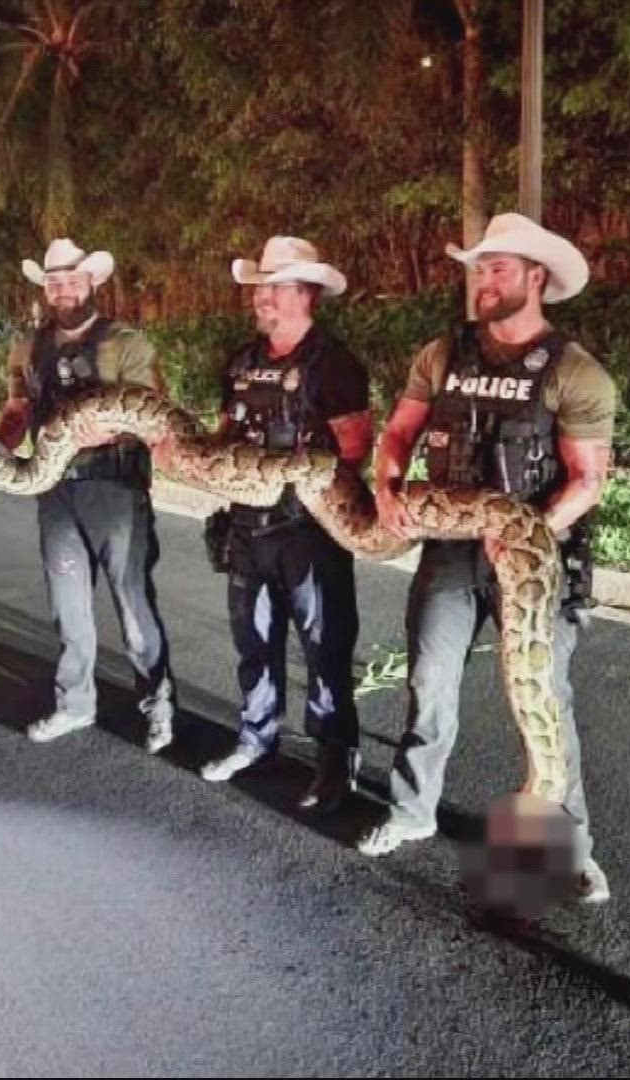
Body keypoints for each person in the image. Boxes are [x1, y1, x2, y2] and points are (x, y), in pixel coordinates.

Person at [357, 213, 617, 903]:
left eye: (500, 268)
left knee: (544, 701)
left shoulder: (574, 371)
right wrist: (387, 488)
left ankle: (572, 850)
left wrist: (528, 532)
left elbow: (587, 480)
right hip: (449, 553)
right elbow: (400, 433)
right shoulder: (443, 355)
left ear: (537, 277)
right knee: (429, 684)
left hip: (529, 563)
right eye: (480, 268)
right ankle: (412, 811)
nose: (485, 280)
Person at [200, 236, 373, 812]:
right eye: (259, 288)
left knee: (323, 648)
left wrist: (292, 473)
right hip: (247, 528)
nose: (261, 297)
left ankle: (333, 759)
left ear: (306, 294)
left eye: (273, 287)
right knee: (253, 641)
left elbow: (355, 450)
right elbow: (224, 433)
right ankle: (256, 738)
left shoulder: (336, 364)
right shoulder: (242, 360)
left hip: (309, 532)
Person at [0, 238, 178, 751]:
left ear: (92, 282)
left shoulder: (127, 344)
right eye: (54, 281)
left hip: (115, 488)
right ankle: (74, 705)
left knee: (132, 603)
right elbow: (17, 411)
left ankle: (158, 704)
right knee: (67, 606)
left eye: (73, 278)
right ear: (45, 288)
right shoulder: (28, 346)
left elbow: (154, 418)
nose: (63, 288)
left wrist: (107, 434)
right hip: (56, 489)